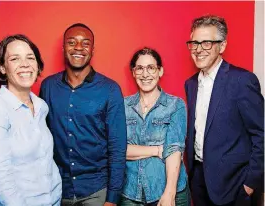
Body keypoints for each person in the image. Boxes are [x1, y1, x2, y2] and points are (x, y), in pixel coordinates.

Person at [39, 23, 127, 206]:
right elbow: (40, 139)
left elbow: (118, 149)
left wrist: (112, 199)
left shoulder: (110, 89)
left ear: (92, 50)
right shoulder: (48, 86)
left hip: (96, 191)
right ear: (64, 48)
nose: (78, 48)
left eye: (85, 43)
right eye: (72, 42)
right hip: (57, 189)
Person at [184, 15, 264, 206]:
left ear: (222, 46)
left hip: (235, 186)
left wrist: (250, 183)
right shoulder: (191, 84)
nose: (198, 49)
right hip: (199, 182)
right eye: (194, 43)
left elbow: (262, 133)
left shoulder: (242, 81)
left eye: (207, 43)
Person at [0, 34, 62, 206]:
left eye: (30, 57)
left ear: (37, 65)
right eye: (15, 58)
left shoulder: (41, 106)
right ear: (2, 68)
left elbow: (44, 159)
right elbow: (0, 175)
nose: (25, 64)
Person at [119, 47, 190, 206]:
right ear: (133, 72)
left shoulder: (175, 105)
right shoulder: (122, 106)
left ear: (160, 71)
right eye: (140, 68)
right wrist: (158, 150)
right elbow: (118, 149)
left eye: (151, 68)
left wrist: (169, 193)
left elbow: (174, 150)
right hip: (130, 194)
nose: (145, 74)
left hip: (169, 191)